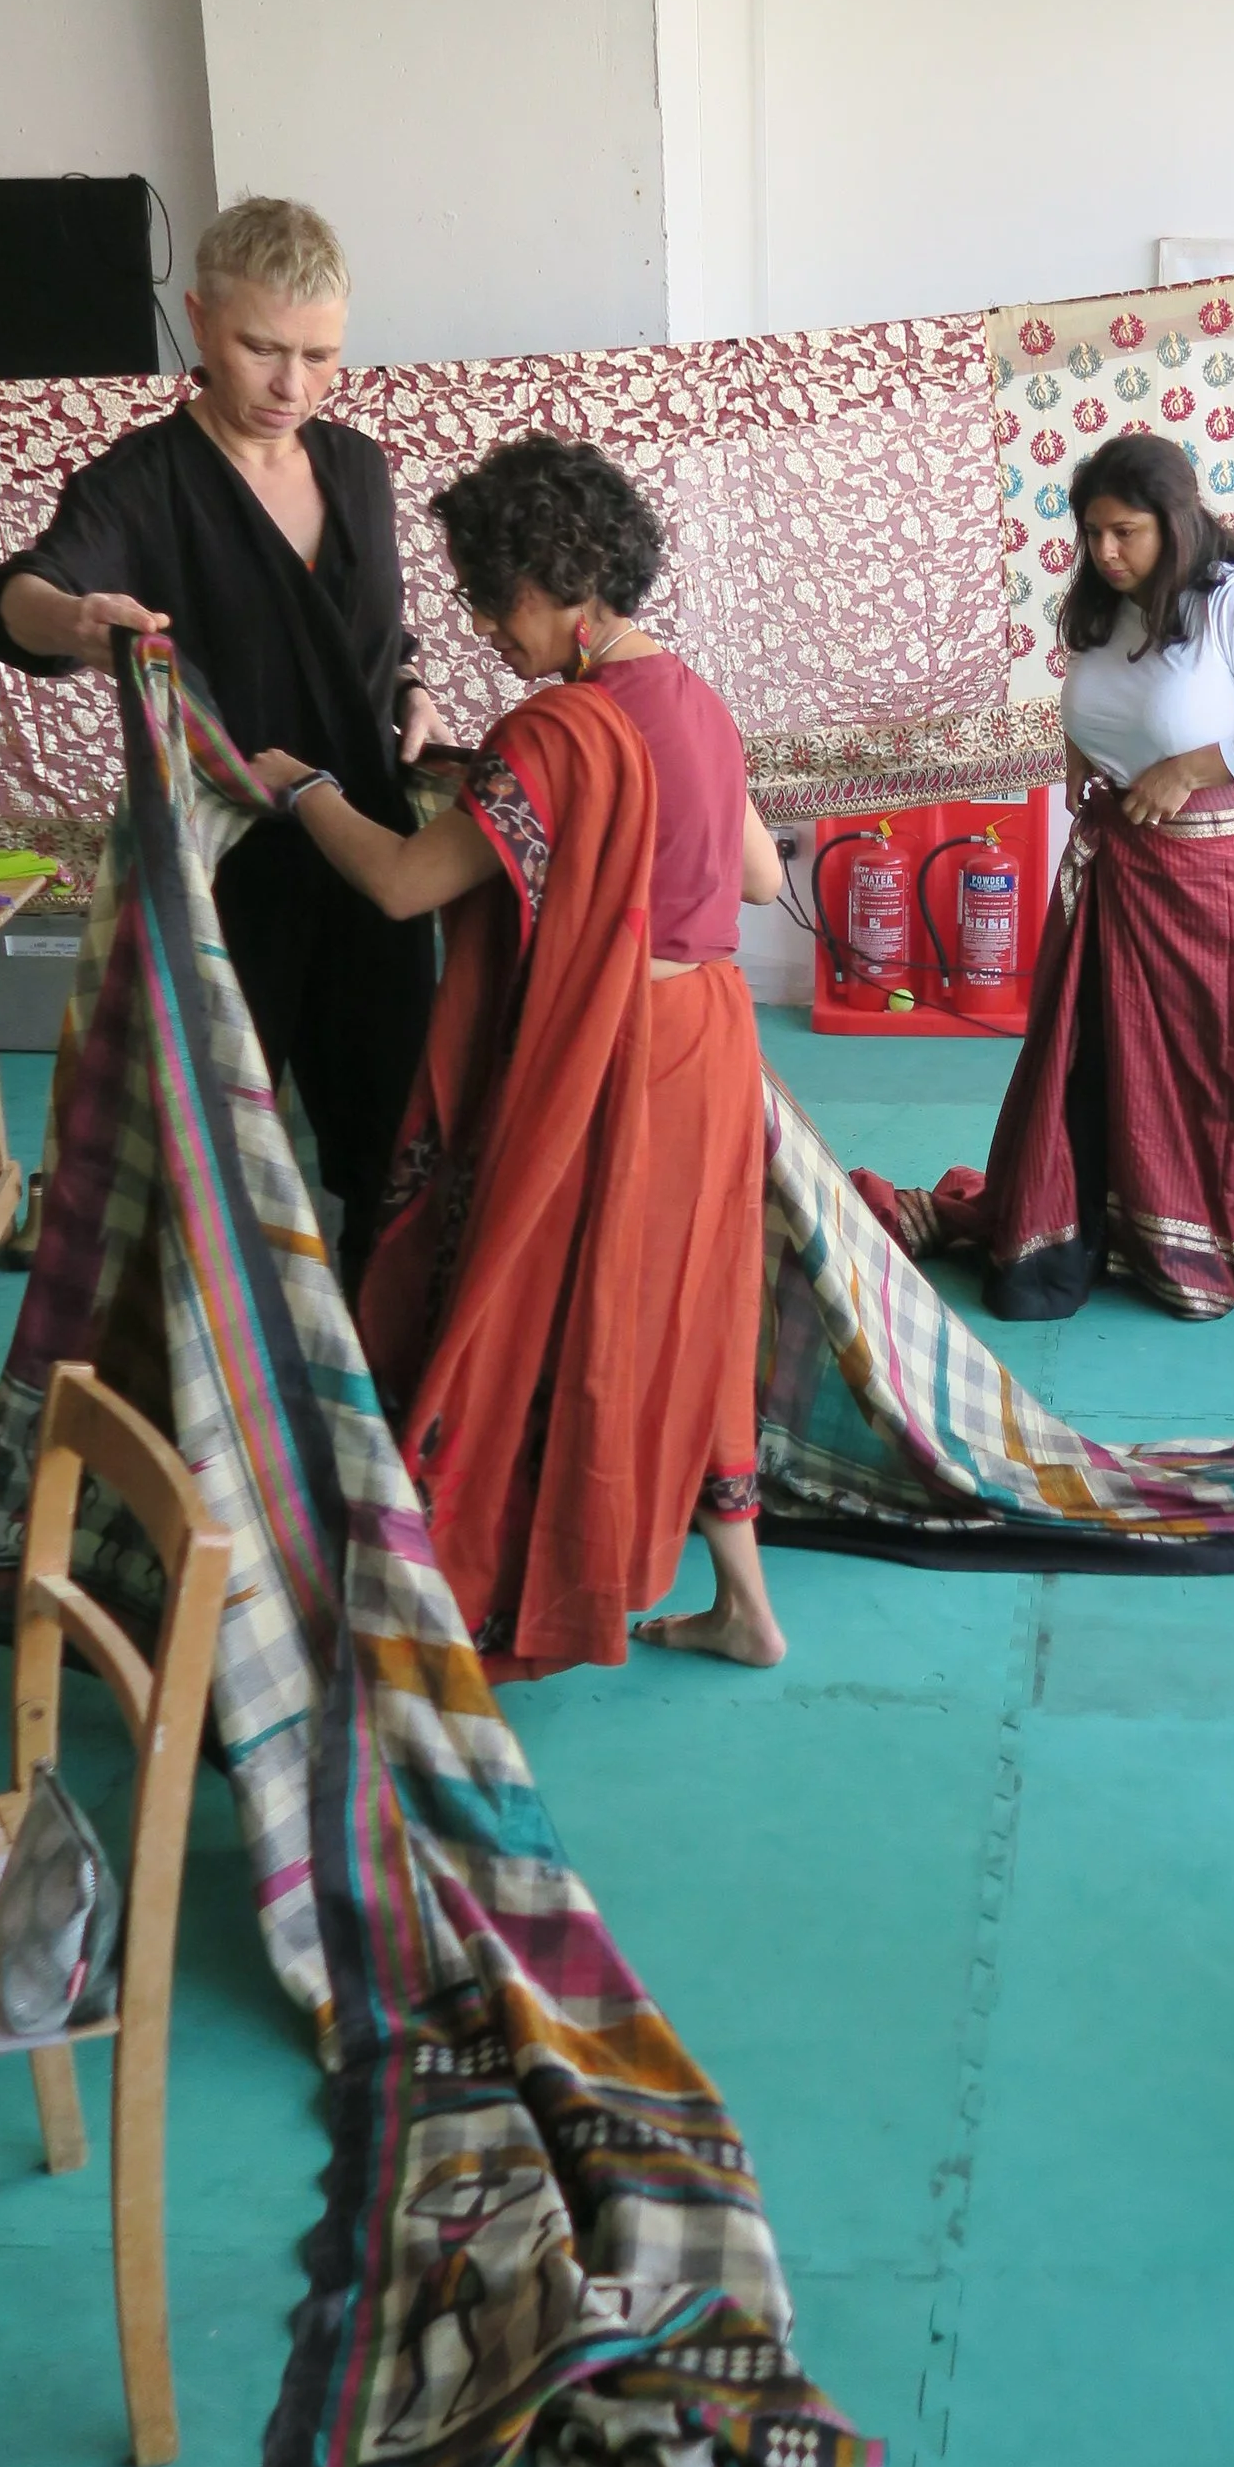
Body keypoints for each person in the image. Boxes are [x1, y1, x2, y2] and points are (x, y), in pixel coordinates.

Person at [249, 434, 790, 1682]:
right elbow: (756, 877)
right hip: (711, 1044)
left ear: (563, 584)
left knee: (562, 1314)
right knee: (690, 1316)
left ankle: (539, 1590)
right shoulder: (692, 699)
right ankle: (742, 1605)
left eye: (499, 599)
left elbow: (396, 885)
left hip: (616, 1058)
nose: (490, 626)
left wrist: (304, 790)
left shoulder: (558, 729)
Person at [0, 193, 442, 1280]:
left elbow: (375, 631)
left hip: (370, 855)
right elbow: (18, 599)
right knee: (207, 1164)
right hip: (227, 879)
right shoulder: (142, 483)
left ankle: (384, 1407)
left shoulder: (359, 468)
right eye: (261, 349)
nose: (292, 386)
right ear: (197, 320)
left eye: (321, 355)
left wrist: (410, 685)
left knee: (390, 1151)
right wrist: (80, 621)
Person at [859, 431, 1234, 1319]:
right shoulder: (1101, 604)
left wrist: (1190, 769)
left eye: (1125, 532)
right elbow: (1105, 695)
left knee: (1220, 1062)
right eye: (1091, 533)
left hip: (1221, 872)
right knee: (1101, 1051)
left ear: (1177, 524)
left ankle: (1214, 1239)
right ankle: (1111, 1219)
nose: (1105, 552)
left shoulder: (1233, 604)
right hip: (1125, 859)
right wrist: (1083, 745)